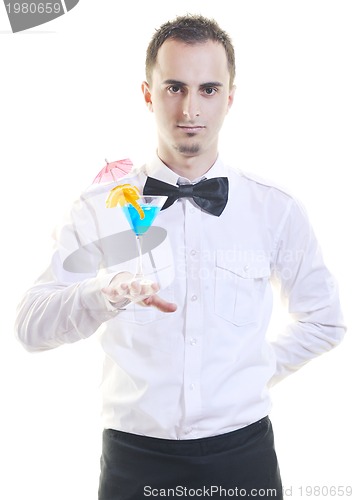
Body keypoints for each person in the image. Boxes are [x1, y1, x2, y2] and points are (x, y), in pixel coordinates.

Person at [15, 14, 346, 500]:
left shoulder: (275, 209)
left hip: (245, 456)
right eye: (174, 87)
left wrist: (249, 370)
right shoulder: (99, 209)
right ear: (148, 94)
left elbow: (325, 321)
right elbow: (29, 327)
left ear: (230, 99)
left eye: (209, 89)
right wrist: (104, 295)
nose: (190, 108)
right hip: (134, 460)